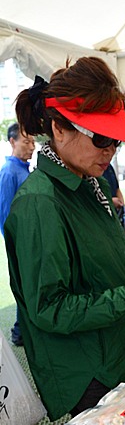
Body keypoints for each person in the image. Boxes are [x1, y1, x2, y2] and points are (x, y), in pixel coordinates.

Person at [4, 57, 125, 421]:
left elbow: (88, 244)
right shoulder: (39, 203)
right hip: (92, 371)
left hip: (120, 350)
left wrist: (122, 260)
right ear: (59, 129)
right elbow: (49, 308)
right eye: (100, 137)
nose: (110, 150)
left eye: (115, 139)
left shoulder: (89, 181)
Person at [0, 123, 35, 346]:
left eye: (33, 142)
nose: (31, 146)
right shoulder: (8, 173)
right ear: (12, 142)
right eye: (26, 142)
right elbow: (5, 215)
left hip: (31, 240)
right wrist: (17, 245)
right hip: (21, 243)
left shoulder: (25, 169)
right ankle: (19, 333)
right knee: (25, 287)